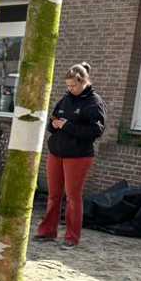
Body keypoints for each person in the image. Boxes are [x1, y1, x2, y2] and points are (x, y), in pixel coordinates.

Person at [34, 62, 106, 248]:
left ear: (84, 82)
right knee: (53, 195)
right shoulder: (64, 99)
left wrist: (67, 126)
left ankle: (72, 238)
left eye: (73, 85)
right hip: (56, 152)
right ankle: (47, 232)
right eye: (68, 85)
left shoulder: (94, 102)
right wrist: (54, 124)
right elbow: (52, 120)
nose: (70, 89)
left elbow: (96, 131)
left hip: (78, 156)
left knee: (73, 197)